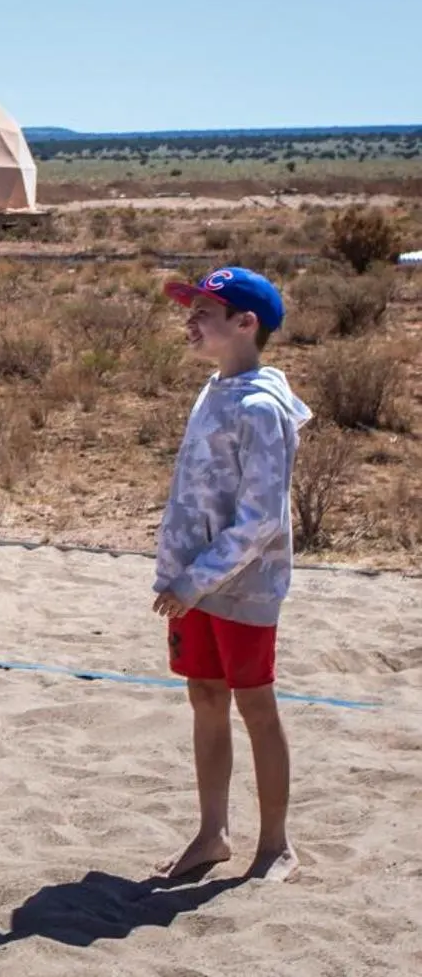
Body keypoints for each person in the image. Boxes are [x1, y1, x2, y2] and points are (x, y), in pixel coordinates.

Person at [152, 266, 311, 883]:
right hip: (194, 585)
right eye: (189, 309)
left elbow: (262, 519)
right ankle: (212, 834)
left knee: (257, 706)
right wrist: (181, 576)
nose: (190, 321)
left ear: (246, 324)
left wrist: (197, 579)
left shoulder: (260, 406)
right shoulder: (213, 390)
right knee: (205, 697)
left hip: (240, 588)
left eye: (204, 312)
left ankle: (275, 846)